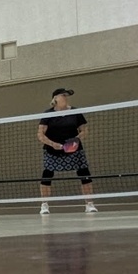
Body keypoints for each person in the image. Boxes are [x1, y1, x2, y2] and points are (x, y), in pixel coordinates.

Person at [37, 87, 97, 215]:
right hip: (53, 150)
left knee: (84, 172)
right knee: (47, 174)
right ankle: (44, 205)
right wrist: (52, 144)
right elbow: (40, 134)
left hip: (74, 148)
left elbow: (84, 130)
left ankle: (89, 204)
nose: (65, 97)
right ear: (55, 99)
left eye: (66, 95)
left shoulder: (75, 112)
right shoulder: (48, 114)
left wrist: (75, 139)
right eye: (63, 95)